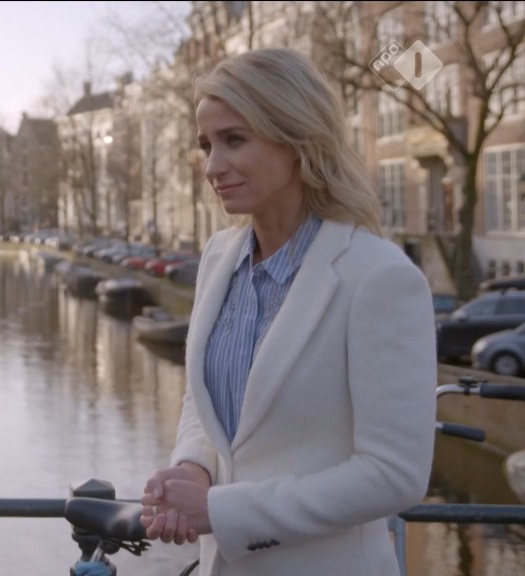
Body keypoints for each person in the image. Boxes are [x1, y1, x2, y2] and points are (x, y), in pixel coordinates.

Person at [139, 48, 437, 576]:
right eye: (206, 145)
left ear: (297, 139)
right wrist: (193, 467)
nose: (212, 167)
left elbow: (394, 475)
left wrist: (222, 512)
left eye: (234, 140)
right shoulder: (218, 258)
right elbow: (202, 401)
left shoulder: (379, 277)